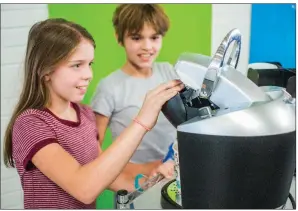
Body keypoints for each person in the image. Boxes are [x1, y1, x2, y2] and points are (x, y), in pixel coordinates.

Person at [2, 18, 184, 209]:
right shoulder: (31, 124)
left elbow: (107, 176)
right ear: (45, 70)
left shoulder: (85, 114)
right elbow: (84, 189)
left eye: (90, 64)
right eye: (77, 65)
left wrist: (156, 181)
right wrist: (142, 121)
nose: (88, 74)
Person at [91, 4, 180, 182]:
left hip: (172, 178)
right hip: (133, 183)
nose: (147, 47)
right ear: (119, 37)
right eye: (137, 38)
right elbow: (93, 153)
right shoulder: (109, 87)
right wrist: (149, 168)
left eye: (154, 37)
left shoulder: (170, 73)